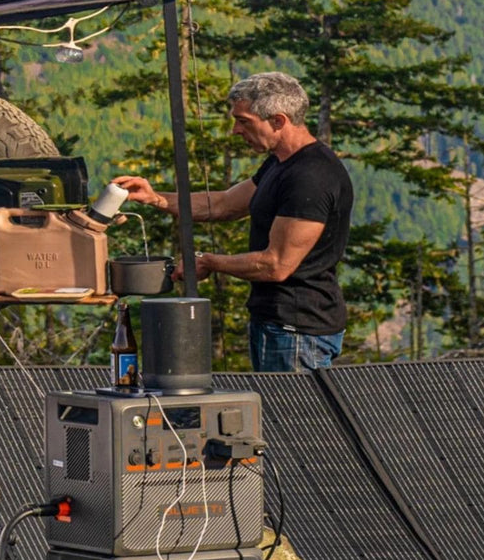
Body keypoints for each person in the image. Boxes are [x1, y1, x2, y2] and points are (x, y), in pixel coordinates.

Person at [113, 71, 353, 371]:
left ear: (278, 121)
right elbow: (226, 204)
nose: (235, 131)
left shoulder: (310, 176)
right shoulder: (281, 163)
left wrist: (209, 262)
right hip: (280, 325)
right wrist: (156, 198)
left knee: (292, 417)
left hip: (297, 329)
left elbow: (276, 264)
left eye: (244, 121)